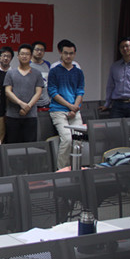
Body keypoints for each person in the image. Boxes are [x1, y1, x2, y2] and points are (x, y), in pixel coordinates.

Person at [48, 40, 84, 169]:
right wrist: (70, 106)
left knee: (78, 139)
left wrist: (74, 108)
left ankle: (75, 168)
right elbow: (52, 92)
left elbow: (80, 91)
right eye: (66, 53)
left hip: (75, 110)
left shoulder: (78, 72)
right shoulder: (54, 71)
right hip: (58, 110)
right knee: (67, 139)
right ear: (61, 53)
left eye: (71, 53)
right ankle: (62, 169)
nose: (68, 56)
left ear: (74, 54)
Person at [4, 44, 44, 144]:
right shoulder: (10, 73)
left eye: (27, 54)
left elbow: (38, 92)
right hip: (13, 115)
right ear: (18, 56)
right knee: (12, 145)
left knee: (30, 146)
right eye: (22, 54)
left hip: (31, 116)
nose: (24, 56)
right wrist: (21, 104)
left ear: (31, 56)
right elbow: (7, 91)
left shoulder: (37, 73)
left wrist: (28, 107)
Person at [30, 41, 51, 111]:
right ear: (32, 51)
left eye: (42, 50)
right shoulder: (27, 64)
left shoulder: (47, 64)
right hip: (31, 102)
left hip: (45, 102)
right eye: (37, 49)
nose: (39, 52)